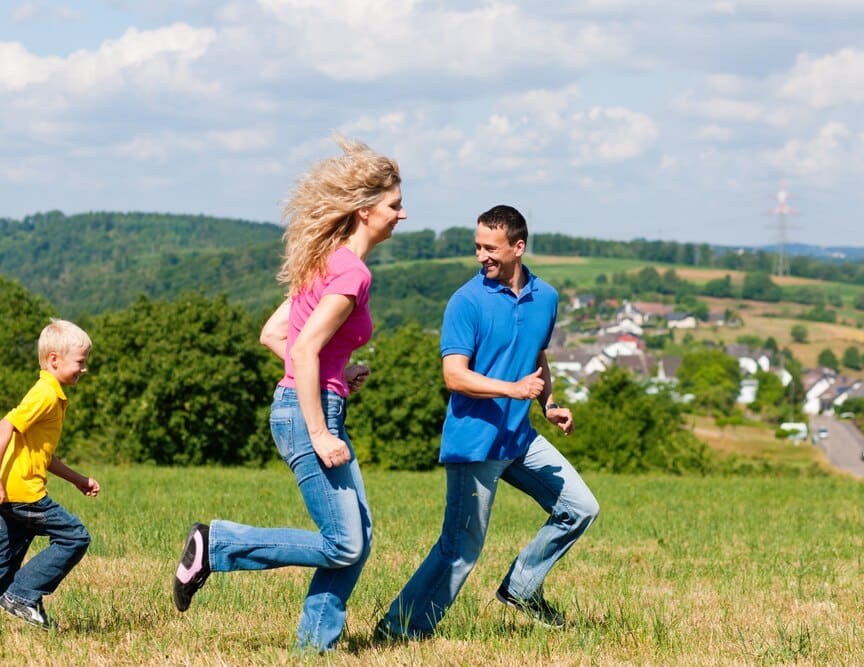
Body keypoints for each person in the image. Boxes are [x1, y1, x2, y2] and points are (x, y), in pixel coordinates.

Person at [172, 136, 405, 653]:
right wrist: (320, 428)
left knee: (356, 541)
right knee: (344, 542)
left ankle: (312, 650)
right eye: (394, 205)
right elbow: (300, 352)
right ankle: (217, 545)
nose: (402, 215)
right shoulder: (351, 273)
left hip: (312, 403)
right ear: (366, 210)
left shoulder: (326, 262)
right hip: (309, 416)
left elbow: (275, 334)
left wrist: (341, 373)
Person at [377, 204, 599, 639]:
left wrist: (548, 403)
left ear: (519, 247)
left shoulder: (546, 297)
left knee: (580, 508)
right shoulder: (466, 301)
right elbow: (454, 375)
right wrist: (511, 390)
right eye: (477, 246)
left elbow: (536, 355)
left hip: (519, 438)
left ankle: (521, 587)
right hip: (475, 441)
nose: (482, 256)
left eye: (491, 248)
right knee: (460, 549)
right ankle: (399, 630)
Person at [0, 319, 100, 631]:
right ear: (55, 360)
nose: (84, 369)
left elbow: (45, 457)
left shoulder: (51, 394)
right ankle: (23, 595)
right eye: (80, 362)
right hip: (23, 494)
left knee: (3, 567)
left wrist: (78, 479)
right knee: (75, 536)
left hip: (8, 494)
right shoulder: (46, 395)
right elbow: (5, 426)